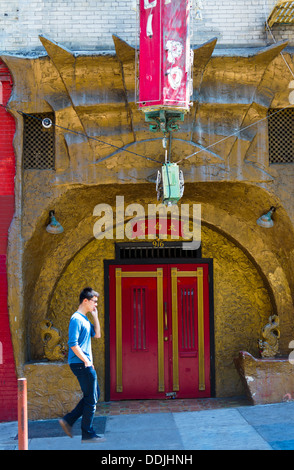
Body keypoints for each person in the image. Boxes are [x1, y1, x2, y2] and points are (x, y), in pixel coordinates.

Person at [59, 287, 106, 443]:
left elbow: (97, 335)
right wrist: (86, 361)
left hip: (83, 364)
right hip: (81, 364)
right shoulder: (76, 319)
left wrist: (96, 317)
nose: (96, 305)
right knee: (92, 399)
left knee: (93, 395)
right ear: (85, 301)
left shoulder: (85, 319)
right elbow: (73, 343)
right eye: (94, 302)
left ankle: (68, 420)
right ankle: (87, 433)